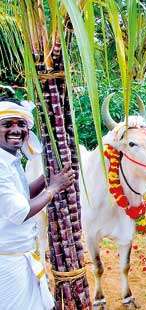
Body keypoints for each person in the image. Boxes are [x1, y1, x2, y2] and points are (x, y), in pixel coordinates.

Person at [0, 97, 75, 309]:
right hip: (7, 264)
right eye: (7, 124)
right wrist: (53, 188)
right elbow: (20, 211)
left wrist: (47, 178)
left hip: (22, 257)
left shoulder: (10, 161)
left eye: (21, 124)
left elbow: (21, 195)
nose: (16, 130)